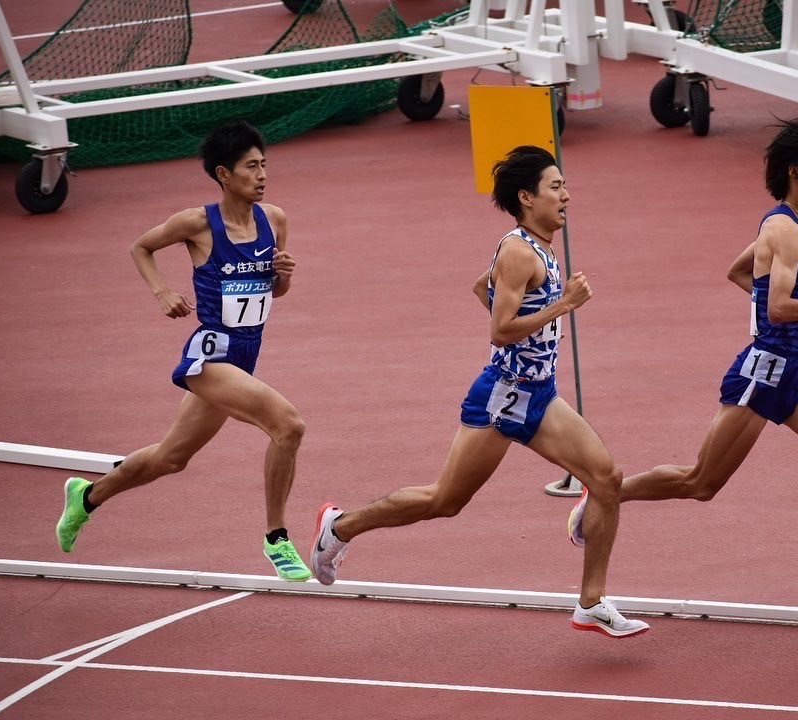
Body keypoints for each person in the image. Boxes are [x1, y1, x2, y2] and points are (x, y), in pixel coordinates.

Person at [568, 118, 798, 611]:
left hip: (793, 374)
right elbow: (778, 305)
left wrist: (795, 323)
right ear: (797, 172)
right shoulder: (784, 229)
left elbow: (741, 274)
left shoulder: (788, 226)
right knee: (701, 483)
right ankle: (604, 496)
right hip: (764, 375)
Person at [309, 145, 649, 638]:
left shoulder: (538, 249)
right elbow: (501, 330)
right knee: (444, 500)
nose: (566, 195)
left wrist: (539, 303)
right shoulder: (517, 250)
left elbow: (480, 288)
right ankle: (339, 527)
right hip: (503, 396)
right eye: (556, 187)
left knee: (607, 477)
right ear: (527, 197)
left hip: (539, 393)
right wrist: (563, 306)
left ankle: (590, 604)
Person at [55, 119, 311, 582]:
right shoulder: (197, 223)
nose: (262, 175)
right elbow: (141, 247)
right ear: (224, 175)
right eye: (251, 167)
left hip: (245, 358)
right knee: (288, 425)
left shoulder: (275, 220)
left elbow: (274, 292)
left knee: (170, 459)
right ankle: (277, 539)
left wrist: (285, 275)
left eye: (264, 164)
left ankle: (87, 497)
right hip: (209, 357)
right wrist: (162, 293)